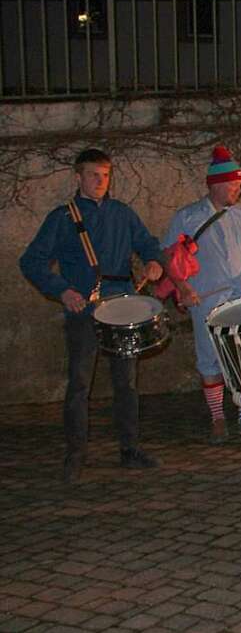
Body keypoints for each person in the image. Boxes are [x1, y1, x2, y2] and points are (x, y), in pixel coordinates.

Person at [20, 148, 165, 482]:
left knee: (126, 383)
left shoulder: (122, 213)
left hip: (124, 305)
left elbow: (148, 243)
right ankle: (75, 454)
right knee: (80, 385)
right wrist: (62, 290)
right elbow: (31, 261)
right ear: (78, 177)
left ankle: (130, 450)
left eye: (105, 175)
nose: (100, 181)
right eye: (92, 175)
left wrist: (154, 261)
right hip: (84, 309)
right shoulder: (62, 217)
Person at [162, 145, 241, 444]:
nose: (237, 190)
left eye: (239, 185)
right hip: (206, 301)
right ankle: (218, 417)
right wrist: (184, 288)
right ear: (215, 184)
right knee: (210, 361)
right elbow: (169, 257)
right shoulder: (188, 217)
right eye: (232, 184)